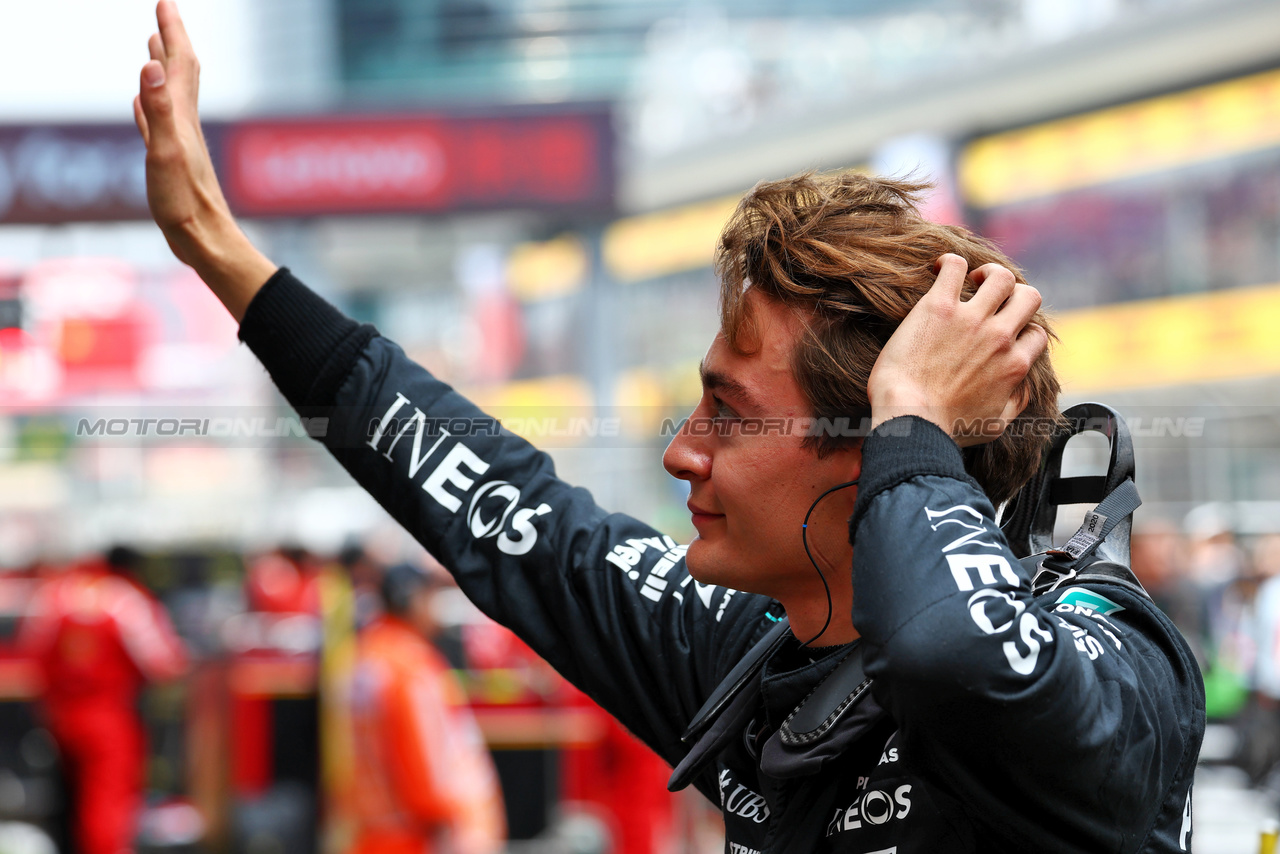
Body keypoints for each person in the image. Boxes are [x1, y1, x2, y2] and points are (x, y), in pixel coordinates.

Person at [132, 3, 1204, 851]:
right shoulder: (753, 648)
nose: (680, 450)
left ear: (875, 440)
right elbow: (501, 502)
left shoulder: (1107, 659)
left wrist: (911, 420)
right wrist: (221, 255)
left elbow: (953, 658)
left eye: (728, 413)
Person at [20, 546, 188, 854]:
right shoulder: (123, 599)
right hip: (109, 716)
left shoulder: (53, 597)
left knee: (71, 800)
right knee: (108, 805)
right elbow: (164, 661)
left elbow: (31, 655)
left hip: (61, 717)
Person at [345, 563, 505, 854]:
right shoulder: (410, 665)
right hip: (415, 837)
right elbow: (424, 759)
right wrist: (445, 817)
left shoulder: (370, 652)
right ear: (412, 599)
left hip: (376, 829)